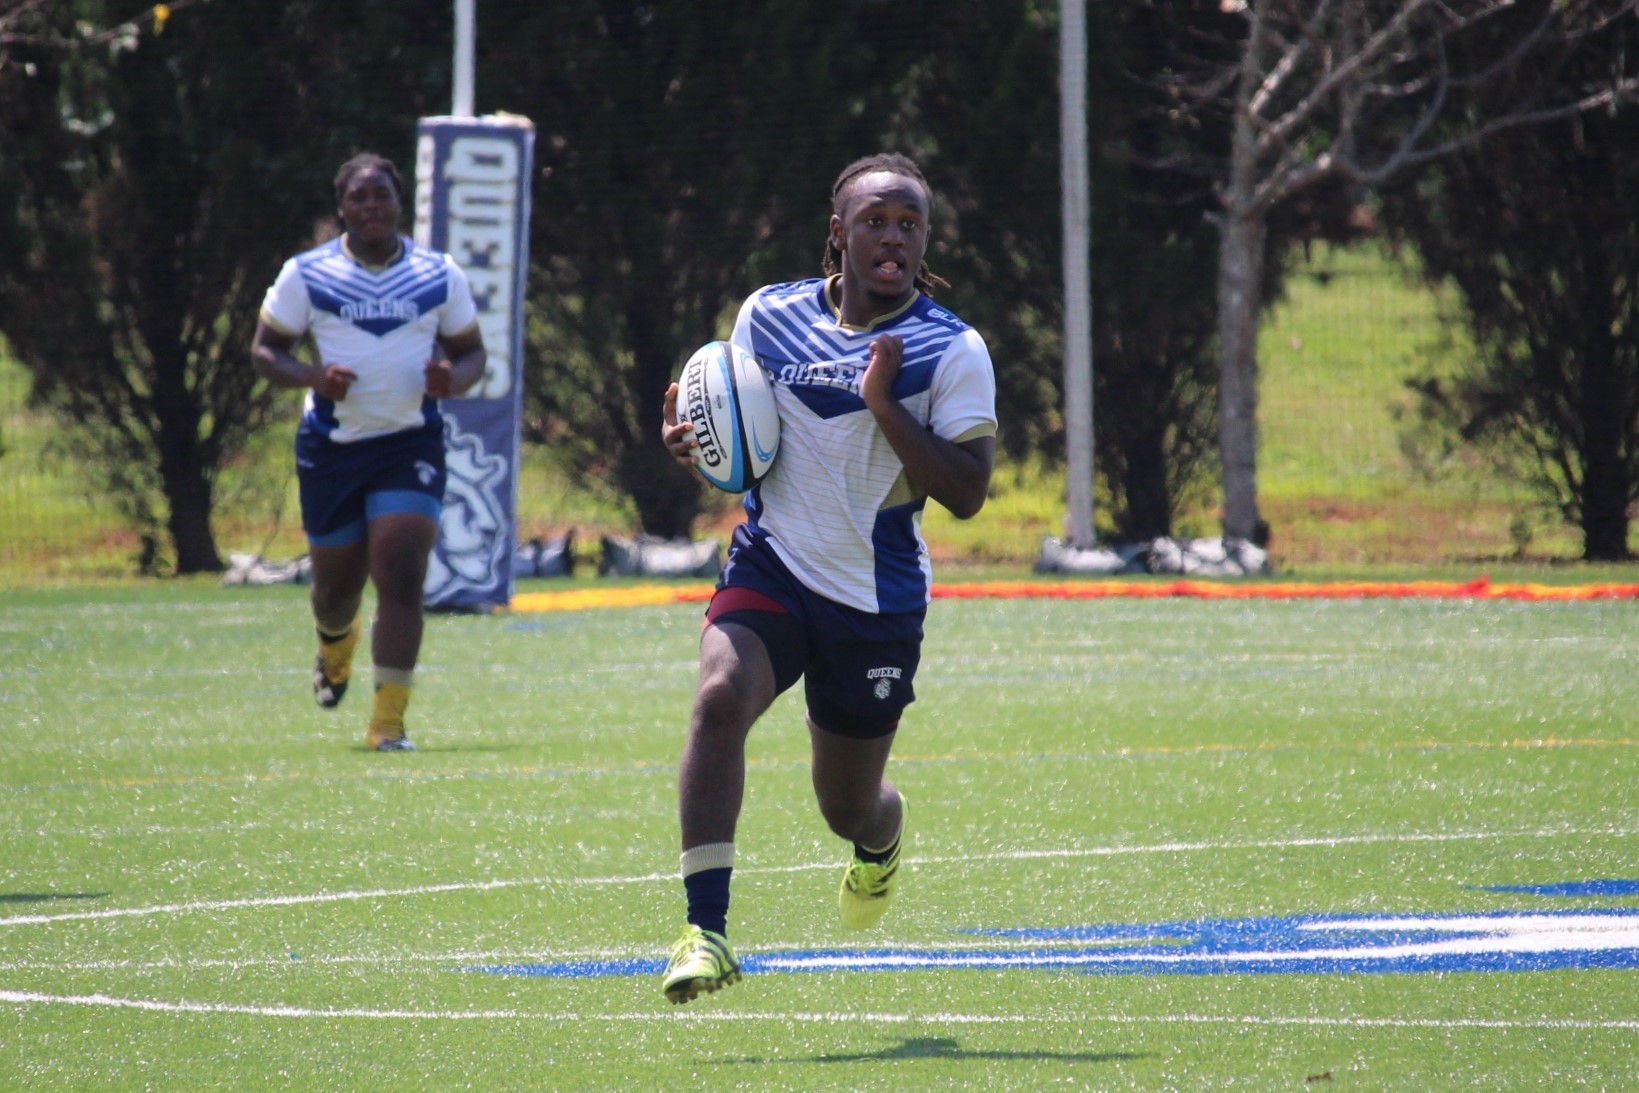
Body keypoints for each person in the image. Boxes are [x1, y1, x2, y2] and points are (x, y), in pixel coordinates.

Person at [657, 153, 997, 1003]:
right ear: (837, 233)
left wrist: (884, 402)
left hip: (873, 602)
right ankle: (705, 931)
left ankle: (879, 844)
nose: (893, 236)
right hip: (772, 564)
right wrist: (695, 444)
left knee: (845, 805)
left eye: (909, 223)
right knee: (717, 696)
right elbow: (742, 442)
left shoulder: (949, 347)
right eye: (876, 219)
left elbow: (965, 492)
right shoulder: (767, 317)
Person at [251, 152, 486, 752]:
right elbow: (265, 351)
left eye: (381, 195)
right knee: (336, 590)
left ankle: (388, 722)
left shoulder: (438, 274)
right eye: (360, 197)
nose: (372, 206)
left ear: (399, 202)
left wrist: (451, 379)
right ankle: (335, 641)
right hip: (332, 449)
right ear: (342, 207)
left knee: (402, 571)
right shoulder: (308, 274)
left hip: (410, 443)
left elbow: (472, 354)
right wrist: (312, 376)